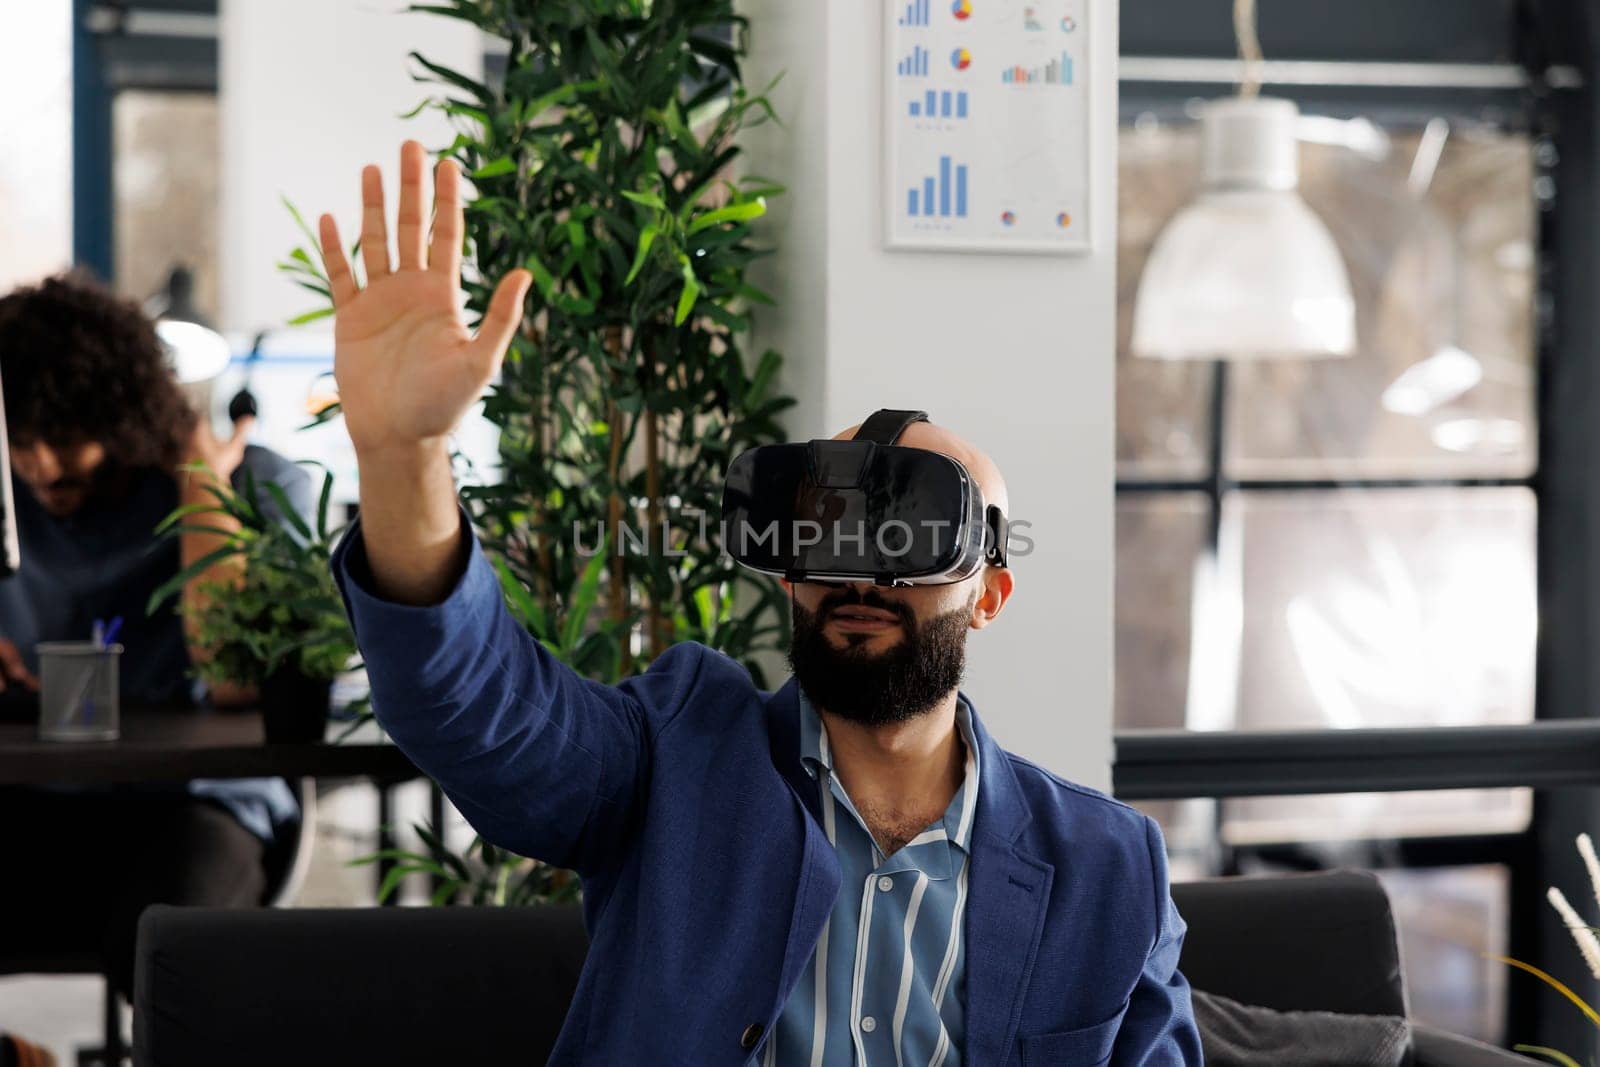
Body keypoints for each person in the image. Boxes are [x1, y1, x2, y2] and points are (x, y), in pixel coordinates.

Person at [322, 141, 1202, 1064]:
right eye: (830, 534)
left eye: (909, 537)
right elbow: (481, 711)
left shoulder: (1107, 871)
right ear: (786, 567)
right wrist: (401, 459)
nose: (862, 577)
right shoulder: (675, 760)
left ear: (989, 594)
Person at [0, 274, 306, 1032]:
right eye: (17, 434)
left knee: (177, 958)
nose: (39, 462)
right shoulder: (8, 501)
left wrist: (202, 483)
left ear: (122, 411)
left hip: (197, 804)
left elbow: (234, 680)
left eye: (64, 432)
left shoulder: (257, 484)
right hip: (39, 802)